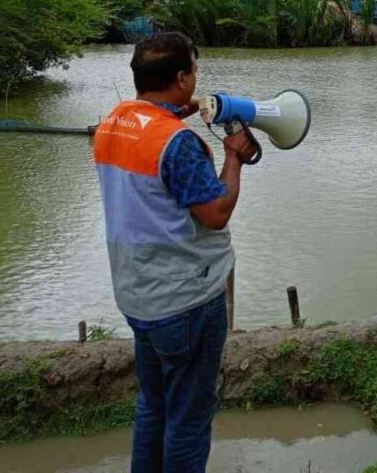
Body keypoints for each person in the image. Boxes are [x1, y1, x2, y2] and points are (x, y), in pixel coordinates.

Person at [93, 32, 257, 472]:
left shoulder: (114, 121)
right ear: (182, 77)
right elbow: (216, 212)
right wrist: (234, 157)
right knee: (188, 418)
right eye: (195, 71)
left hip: (138, 294)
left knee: (154, 406)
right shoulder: (178, 143)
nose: (197, 78)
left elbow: (151, 159)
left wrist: (174, 113)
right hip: (185, 299)